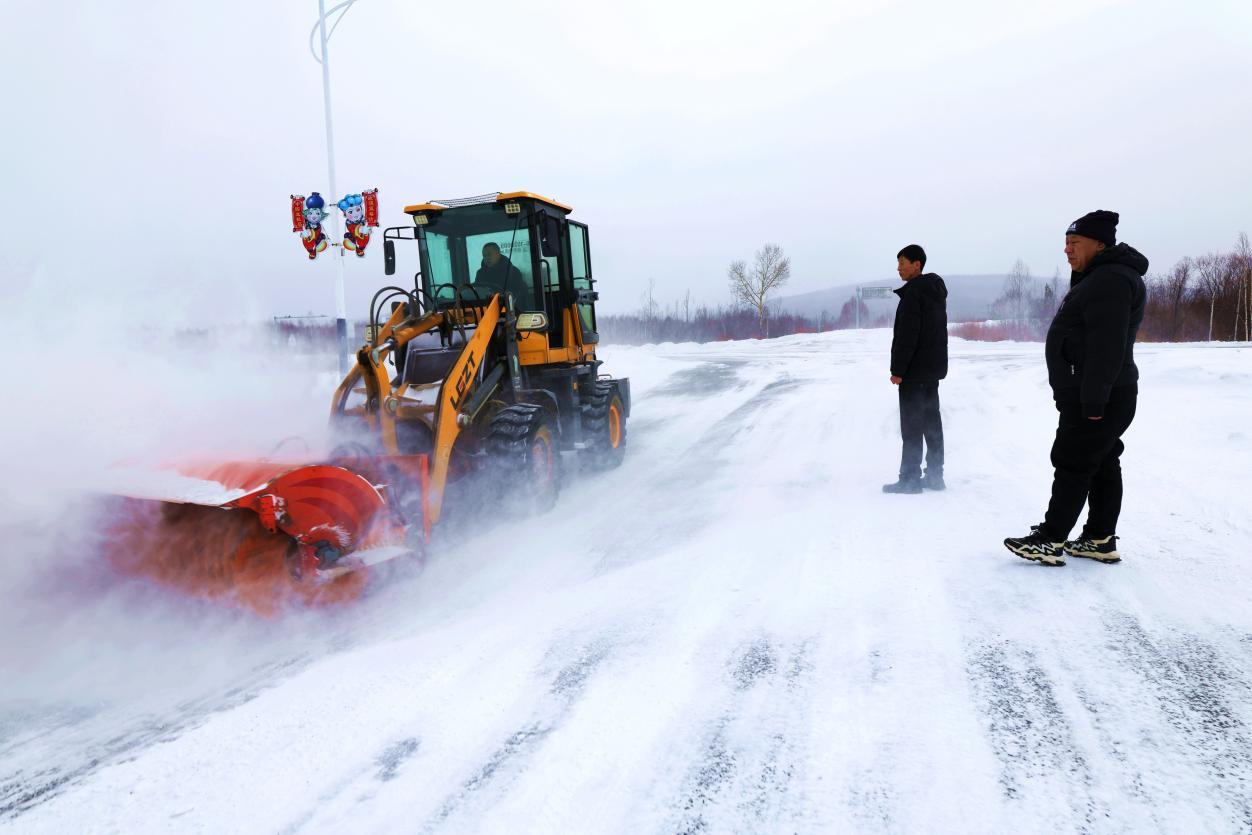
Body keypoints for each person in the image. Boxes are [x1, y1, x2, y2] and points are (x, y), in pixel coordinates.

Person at [1004, 210, 1148, 566]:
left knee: (1074, 461)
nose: (1067, 249)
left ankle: (1051, 539)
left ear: (1099, 244)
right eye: (1066, 243)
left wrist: (1093, 400)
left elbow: (1106, 345)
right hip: (1103, 391)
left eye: (1075, 242)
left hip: (1099, 394)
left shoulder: (1110, 280)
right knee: (1101, 461)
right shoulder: (1103, 276)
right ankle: (1098, 538)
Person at [883, 244, 948, 494]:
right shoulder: (934, 292)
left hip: (913, 373)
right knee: (932, 424)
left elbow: (907, 336)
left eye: (902, 262)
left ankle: (909, 479)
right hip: (931, 372)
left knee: (912, 427)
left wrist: (898, 370)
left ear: (916, 264)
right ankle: (935, 476)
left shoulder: (913, 294)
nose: (898, 268)